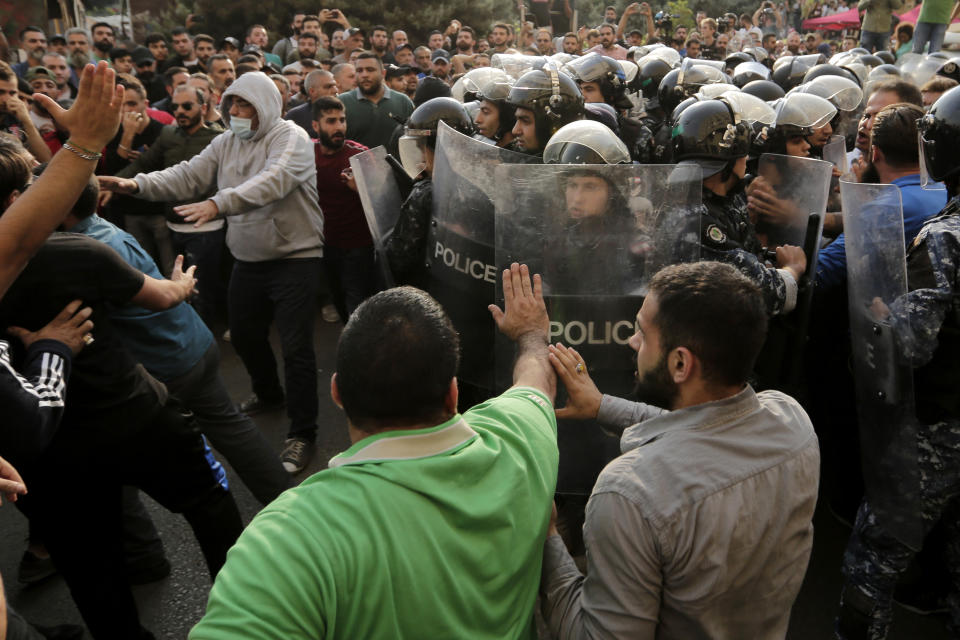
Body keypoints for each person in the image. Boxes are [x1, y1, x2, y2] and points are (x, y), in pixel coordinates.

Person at [190, 262, 557, 640]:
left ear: (337, 394)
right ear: (453, 393)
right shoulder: (519, 436)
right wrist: (530, 332)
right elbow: (537, 380)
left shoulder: (294, 536)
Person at [540, 261, 819, 638]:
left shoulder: (629, 495)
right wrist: (602, 405)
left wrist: (548, 538)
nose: (632, 341)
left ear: (680, 363)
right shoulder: (793, 424)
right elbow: (705, 423)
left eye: (641, 332)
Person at [98, 71, 325, 475]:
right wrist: (133, 185)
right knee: (245, 334)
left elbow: (273, 181)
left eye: (244, 106)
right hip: (249, 258)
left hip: (296, 257)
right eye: (231, 105)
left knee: (295, 348)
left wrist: (219, 204)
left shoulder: (290, 138)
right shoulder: (225, 141)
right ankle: (269, 394)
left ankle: (302, 432)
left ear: (266, 106)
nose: (235, 112)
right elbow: (187, 174)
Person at [836, 84, 960, 640]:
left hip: (938, 426)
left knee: (873, 559)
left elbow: (910, 344)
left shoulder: (944, 238)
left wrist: (885, 314)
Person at [671, 98, 806, 316]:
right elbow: (762, 293)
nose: (746, 160)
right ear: (732, 159)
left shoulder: (723, 198)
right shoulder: (698, 221)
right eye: (744, 154)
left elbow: (745, 251)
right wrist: (792, 268)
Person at [817, 103, 946, 291]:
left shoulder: (886, 208)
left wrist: (791, 264)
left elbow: (826, 267)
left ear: (875, 153)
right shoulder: (944, 191)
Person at [311, 96, 377, 320]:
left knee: (358, 306)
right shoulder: (305, 153)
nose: (338, 126)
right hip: (325, 244)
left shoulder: (359, 154)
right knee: (338, 299)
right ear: (316, 126)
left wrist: (361, 188)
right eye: (331, 121)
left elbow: (383, 197)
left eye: (342, 120)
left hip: (358, 246)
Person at [339, 52, 415, 149]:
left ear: (383, 73)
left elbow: (413, 142)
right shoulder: (342, 102)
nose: (364, 75)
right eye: (359, 70)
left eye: (370, 70)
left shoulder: (403, 102)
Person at [507, 67, 585, 157]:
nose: (515, 130)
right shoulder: (512, 157)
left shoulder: (578, 167)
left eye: (525, 121)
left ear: (551, 124)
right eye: (517, 119)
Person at [0, 62, 52, 163]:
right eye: (1, 92)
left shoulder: (17, 117)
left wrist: (27, 121)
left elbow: (45, 160)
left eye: (12, 93)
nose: (6, 99)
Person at [284, 69, 338, 135]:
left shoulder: (345, 111)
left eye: (335, 86)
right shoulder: (295, 116)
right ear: (312, 91)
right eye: (328, 87)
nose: (335, 90)